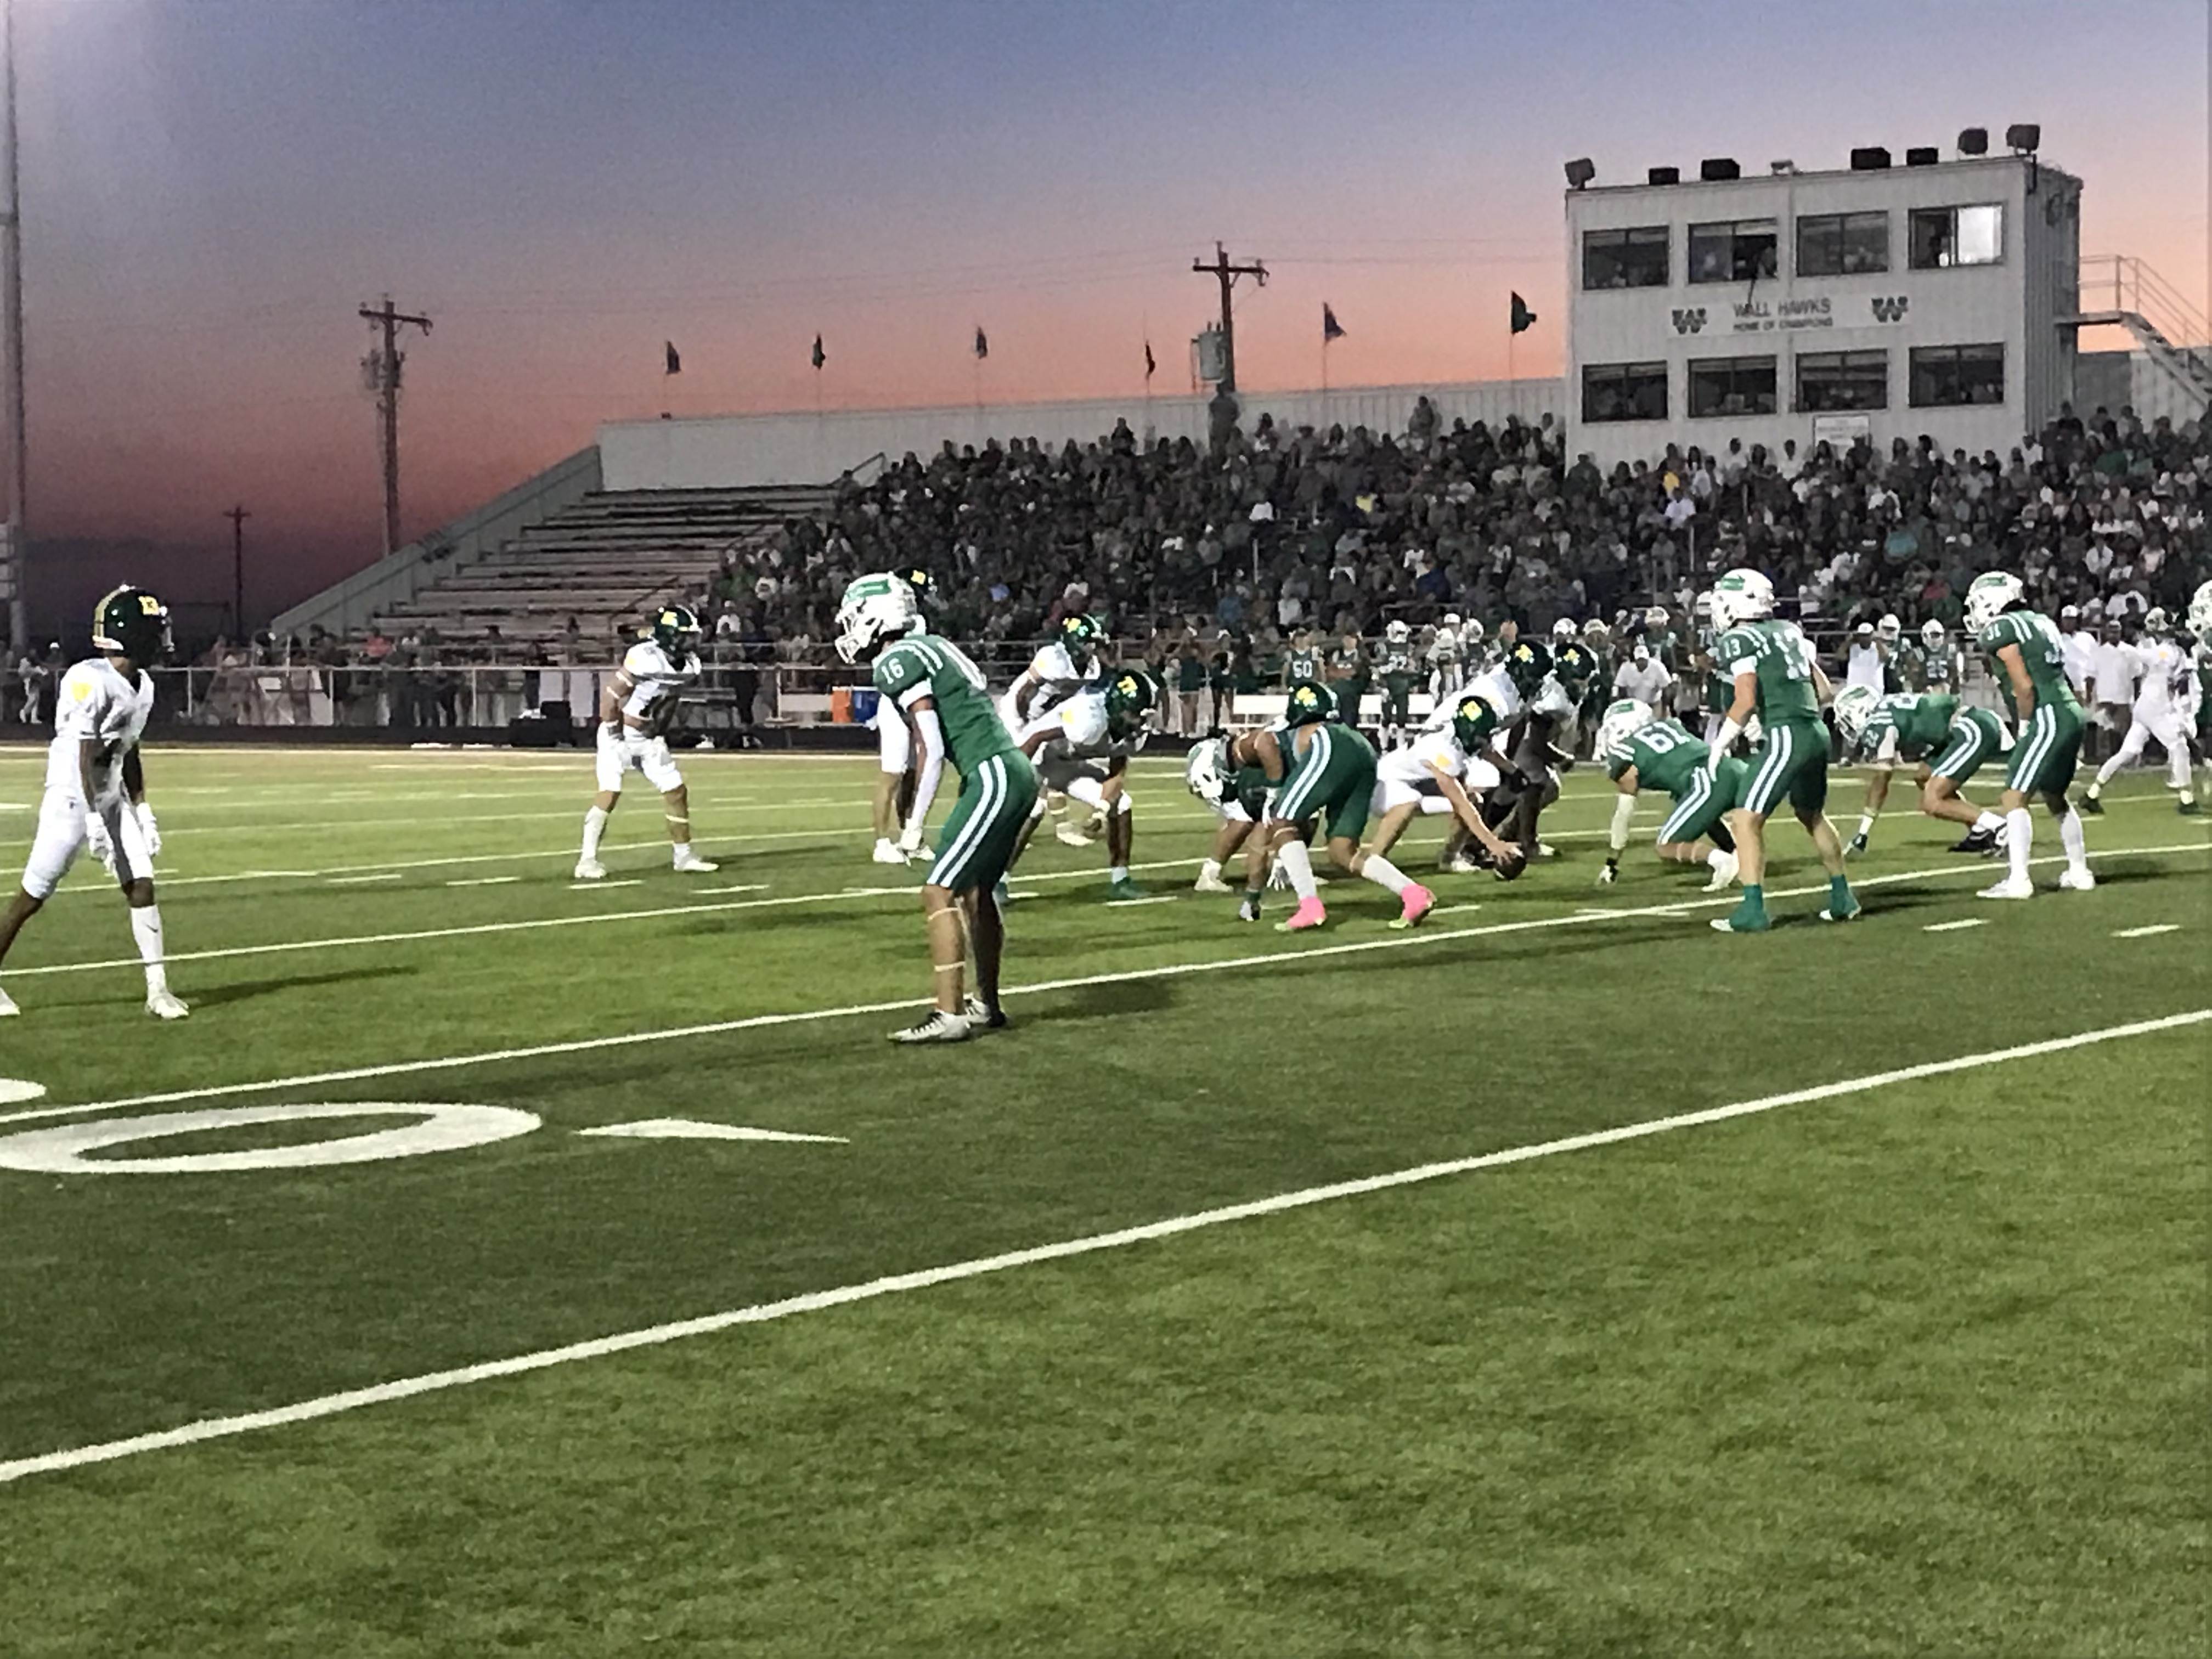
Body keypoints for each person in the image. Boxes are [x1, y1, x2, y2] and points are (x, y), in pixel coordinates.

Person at [839, 572, 1039, 1043]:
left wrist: (913, 825)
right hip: (1011, 769)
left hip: (991, 773)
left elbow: (929, 746)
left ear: (875, 617)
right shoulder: (933, 645)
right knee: (976, 892)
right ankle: (987, 1004)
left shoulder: (897, 660)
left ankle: (949, 1014)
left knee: (938, 892)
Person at [0, 585, 188, 1020]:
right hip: (71, 800)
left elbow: (129, 749)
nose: (162, 638)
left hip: (111, 795)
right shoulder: (89, 680)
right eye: (155, 630)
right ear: (136, 634)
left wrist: (142, 809)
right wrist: (92, 819)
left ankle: (158, 991)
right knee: (31, 896)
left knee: (142, 884)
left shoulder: (143, 685)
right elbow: (84, 755)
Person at [1706, 567, 1859, 933]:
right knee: (1812, 815)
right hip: (1815, 732)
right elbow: (1824, 690)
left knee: (1745, 820)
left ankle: (1753, 910)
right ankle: (1843, 898)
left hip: (1788, 733)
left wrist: (1720, 743)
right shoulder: (1789, 631)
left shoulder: (1740, 638)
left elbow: (1744, 701)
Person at [1223, 680, 1431, 932]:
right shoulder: (1330, 728)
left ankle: (1309, 907)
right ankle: (1413, 893)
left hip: (1328, 746)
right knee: (1342, 850)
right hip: (1362, 749)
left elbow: (1265, 743)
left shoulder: (1277, 734)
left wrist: (1274, 790)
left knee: (1281, 820)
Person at [1964, 571, 2096, 900]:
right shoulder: (2041, 621)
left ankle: (2019, 880)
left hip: (2046, 713)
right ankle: (2079, 872)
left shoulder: (2002, 627)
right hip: (2068, 709)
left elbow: (2023, 686)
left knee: (2013, 797)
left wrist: (2024, 727)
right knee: (2055, 796)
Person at [574, 604, 720, 880]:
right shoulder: (645, 657)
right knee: (610, 793)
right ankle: (586, 860)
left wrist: (660, 731)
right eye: (686, 635)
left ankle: (683, 856)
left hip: (648, 737)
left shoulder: (689, 665)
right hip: (620, 733)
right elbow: (611, 697)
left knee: (676, 791)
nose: (692, 641)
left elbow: (671, 700)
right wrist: (614, 734)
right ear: (671, 636)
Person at [1008, 667, 1155, 899]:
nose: (1141, 721)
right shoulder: (1088, 717)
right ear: (1118, 707)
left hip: (1067, 764)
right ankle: (998, 880)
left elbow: (1117, 771)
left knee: (1122, 804)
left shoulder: (1129, 732)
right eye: (1135, 713)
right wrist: (1015, 775)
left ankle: (1121, 879)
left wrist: (1101, 812)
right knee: (1034, 809)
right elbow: (1037, 737)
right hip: (1038, 754)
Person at [1830, 684, 2011, 854]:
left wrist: (1864, 830)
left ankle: (2000, 827)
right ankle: (1979, 830)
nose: (1847, 726)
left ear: (1858, 711)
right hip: (1965, 724)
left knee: (1932, 802)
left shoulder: (1877, 724)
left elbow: (1882, 778)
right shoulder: (1887, 705)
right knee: (1924, 776)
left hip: (1969, 729)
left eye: (1847, 719)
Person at [1361, 693, 1523, 879]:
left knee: (1473, 800)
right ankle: (1374, 861)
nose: (1484, 739)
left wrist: (1512, 770)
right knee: (1410, 801)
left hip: (1415, 784)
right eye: (1481, 735)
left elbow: (1487, 750)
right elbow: (1460, 803)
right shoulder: (1443, 749)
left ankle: (1449, 859)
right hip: (1382, 785)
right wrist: (1493, 844)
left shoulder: (1457, 733)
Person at [1594, 698, 1741, 891]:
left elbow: (1624, 813)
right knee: (1692, 805)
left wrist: (1612, 861)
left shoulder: (1625, 752)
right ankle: (1737, 854)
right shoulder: (1669, 726)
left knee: (1667, 846)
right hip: (1733, 769)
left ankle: (1722, 861)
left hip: (1705, 780)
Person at [2080, 606, 2200, 816]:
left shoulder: (2165, 649)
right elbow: (2161, 658)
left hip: (2145, 707)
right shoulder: (2162, 650)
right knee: (2180, 748)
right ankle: (2187, 801)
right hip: (2156, 709)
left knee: (2127, 753)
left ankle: (2092, 794)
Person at [868, 568, 938, 864]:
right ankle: (882, 843)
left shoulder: (915, 620)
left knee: (912, 775)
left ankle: (911, 836)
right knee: (892, 775)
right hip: (897, 700)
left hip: (915, 699)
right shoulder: (894, 621)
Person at [1184, 735, 1272, 894]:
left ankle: (1211, 873)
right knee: (1243, 819)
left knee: (1246, 818)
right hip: (1214, 769)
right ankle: (1210, 874)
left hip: (1223, 766)